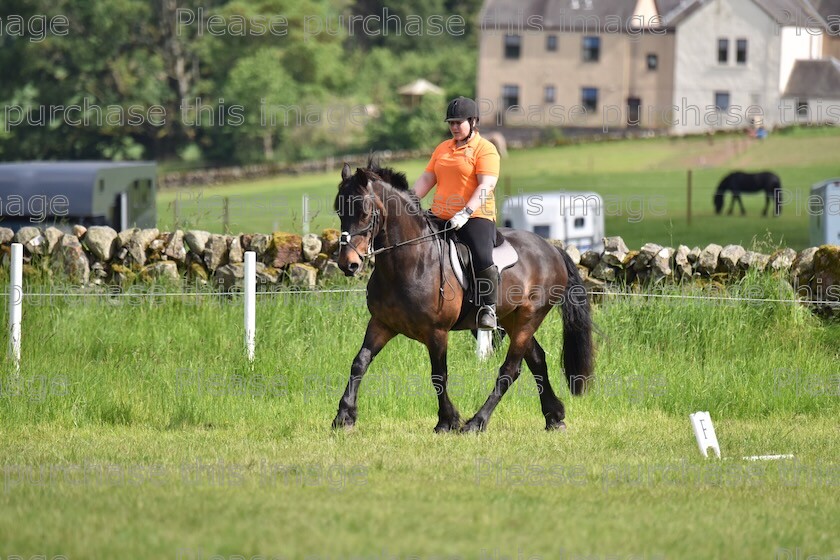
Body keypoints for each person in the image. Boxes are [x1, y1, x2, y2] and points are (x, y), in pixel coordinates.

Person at [412, 96, 501, 330]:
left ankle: (488, 308)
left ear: (473, 122)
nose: (453, 127)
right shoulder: (443, 148)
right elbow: (427, 178)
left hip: (475, 216)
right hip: (439, 214)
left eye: (458, 122)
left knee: (482, 256)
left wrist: (466, 212)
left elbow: (486, 185)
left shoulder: (485, 149)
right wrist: (406, 202)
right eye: (450, 123)